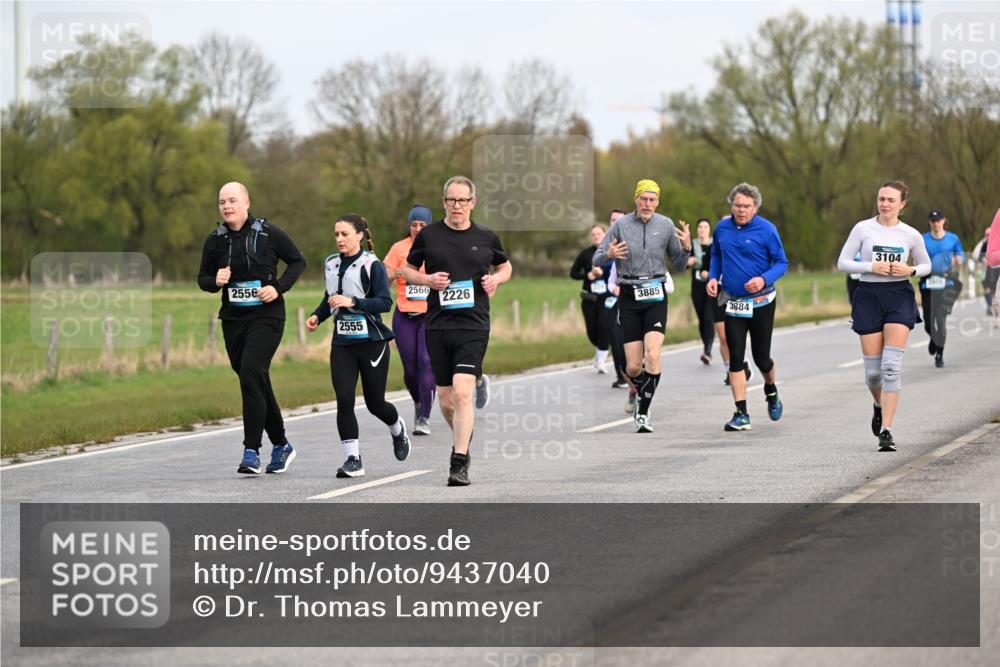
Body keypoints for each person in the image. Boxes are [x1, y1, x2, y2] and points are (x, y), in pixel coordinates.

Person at [402, 176, 513, 486]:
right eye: (451, 200)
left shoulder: (487, 236)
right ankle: (464, 433)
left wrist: (496, 280)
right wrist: (427, 281)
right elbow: (407, 271)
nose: (457, 206)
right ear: (444, 202)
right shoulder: (430, 236)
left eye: (463, 200)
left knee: (463, 393)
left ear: (472, 203)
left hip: (473, 324)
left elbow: (505, 266)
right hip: (437, 325)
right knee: (447, 401)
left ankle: (459, 460)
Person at [197, 181, 306, 475]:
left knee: (250, 374)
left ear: (247, 203)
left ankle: (251, 451)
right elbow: (203, 279)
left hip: (267, 317)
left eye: (232, 200)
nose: (227, 206)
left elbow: (298, 261)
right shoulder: (215, 240)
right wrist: (215, 280)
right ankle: (281, 443)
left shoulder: (269, 233)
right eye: (222, 202)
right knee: (254, 379)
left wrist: (278, 288)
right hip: (233, 321)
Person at [306, 215, 411, 478]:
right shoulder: (331, 263)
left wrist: (353, 302)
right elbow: (330, 297)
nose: (340, 239)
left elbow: (384, 303)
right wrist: (318, 316)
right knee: (344, 399)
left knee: (375, 403)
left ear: (359, 236)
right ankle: (353, 459)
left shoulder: (371, 265)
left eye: (344, 234)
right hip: (342, 344)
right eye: (336, 235)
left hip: (372, 343)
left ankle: (397, 429)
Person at [837, 180, 931, 452]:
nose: (885, 204)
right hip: (868, 296)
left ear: (902, 204)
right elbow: (843, 262)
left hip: (899, 296)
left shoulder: (911, 234)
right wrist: (871, 266)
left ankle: (887, 430)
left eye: (891, 200)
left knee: (891, 366)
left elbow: (927, 264)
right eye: (881, 199)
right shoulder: (863, 228)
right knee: (873, 374)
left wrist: (910, 271)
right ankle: (878, 405)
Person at [592, 179, 692, 433]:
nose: (648, 204)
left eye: (652, 199)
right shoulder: (621, 226)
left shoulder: (666, 225)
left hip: (656, 294)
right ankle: (638, 390)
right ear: (636, 199)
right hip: (628, 296)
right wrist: (610, 256)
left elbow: (679, 265)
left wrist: (688, 248)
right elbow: (597, 257)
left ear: (658, 202)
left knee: (653, 354)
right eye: (644, 199)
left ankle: (643, 412)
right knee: (633, 367)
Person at [706, 183, 789, 432]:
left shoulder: (767, 229)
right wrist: (713, 277)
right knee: (736, 358)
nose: (741, 210)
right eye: (737, 205)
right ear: (731, 205)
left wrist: (764, 279)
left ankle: (771, 389)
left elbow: (782, 262)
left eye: (746, 206)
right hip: (734, 303)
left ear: (755, 207)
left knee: (762, 358)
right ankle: (741, 413)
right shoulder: (722, 228)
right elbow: (716, 255)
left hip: (762, 302)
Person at [383, 205, 436, 435]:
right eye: (413, 224)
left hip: (430, 315)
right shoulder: (399, 248)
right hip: (404, 315)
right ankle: (417, 401)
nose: (417, 228)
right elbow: (383, 279)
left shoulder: (437, 245)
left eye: (422, 225)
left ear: (429, 226)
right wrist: (396, 273)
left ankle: (424, 416)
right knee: (410, 370)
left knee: (426, 362)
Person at [919, 209, 965, 368]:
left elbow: (960, 255)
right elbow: (916, 256)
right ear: (929, 223)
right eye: (933, 221)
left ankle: (940, 354)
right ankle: (933, 338)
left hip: (946, 283)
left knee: (941, 319)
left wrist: (958, 259)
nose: (936, 223)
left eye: (938, 220)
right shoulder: (923, 239)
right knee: (928, 322)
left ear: (944, 221)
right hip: (927, 283)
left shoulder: (953, 239)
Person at [571, 224, 613, 373]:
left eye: (599, 234)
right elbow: (573, 273)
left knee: (604, 327)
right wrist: (587, 275)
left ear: (605, 235)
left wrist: (603, 272)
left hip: (607, 297)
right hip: (589, 298)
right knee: (591, 330)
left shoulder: (611, 252)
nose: (596, 236)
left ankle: (601, 361)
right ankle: (600, 351)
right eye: (593, 234)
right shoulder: (585, 254)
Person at [602, 210, 629, 388]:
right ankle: (621, 374)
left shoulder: (630, 242)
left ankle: (633, 370)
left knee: (630, 336)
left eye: (618, 220)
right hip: (610, 296)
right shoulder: (606, 244)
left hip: (630, 297)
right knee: (614, 336)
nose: (614, 223)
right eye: (612, 220)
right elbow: (597, 262)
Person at [689, 218, 716, 365]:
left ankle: (708, 351)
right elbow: (683, 261)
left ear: (709, 229)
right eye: (700, 227)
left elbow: (720, 263)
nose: (702, 229)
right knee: (701, 319)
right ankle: (706, 347)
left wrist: (710, 272)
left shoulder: (714, 245)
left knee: (708, 318)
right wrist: (688, 262)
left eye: (705, 227)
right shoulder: (692, 245)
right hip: (697, 286)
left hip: (711, 286)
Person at [972, 226, 997, 316]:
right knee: (986, 288)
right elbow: (975, 255)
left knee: (993, 289)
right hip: (983, 269)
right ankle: (989, 305)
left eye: (990, 234)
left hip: (994, 269)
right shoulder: (982, 244)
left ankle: (993, 305)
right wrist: (982, 259)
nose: (988, 236)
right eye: (987, 234)